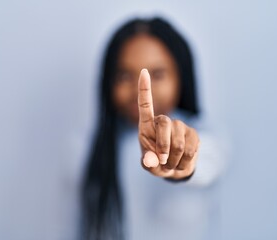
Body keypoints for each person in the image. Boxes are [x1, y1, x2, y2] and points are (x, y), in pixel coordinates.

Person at [80, 17, 226, 240]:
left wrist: (180, 164)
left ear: (181, 77)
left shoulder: (207, 136)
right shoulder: (85, 148)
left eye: (157, 75)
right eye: (124, 75)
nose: (140, 91)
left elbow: (206, 159)